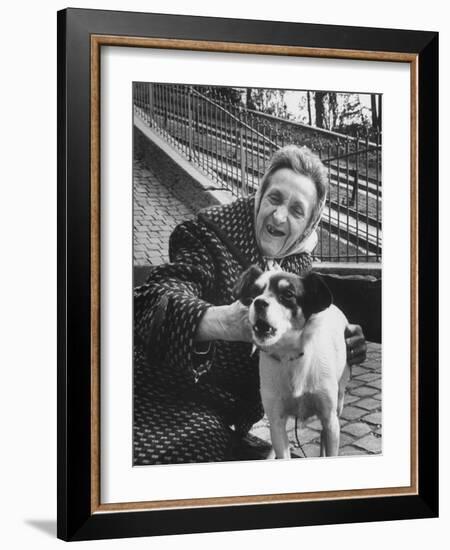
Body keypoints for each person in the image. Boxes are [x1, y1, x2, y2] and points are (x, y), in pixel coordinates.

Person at [133, 145, 373, 465]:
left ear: (309, 227)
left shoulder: (297, 273)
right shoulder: (206, 236)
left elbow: (303, 342)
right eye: (274, 198)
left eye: (297, 210)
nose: (278, 216)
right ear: (259, 195)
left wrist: (341, 340)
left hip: (230, 420)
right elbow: (153, 302)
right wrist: (220, 321)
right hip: (164, 403)